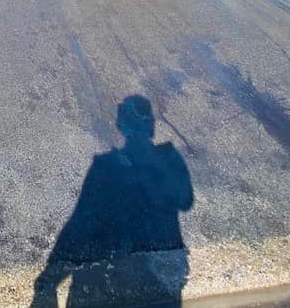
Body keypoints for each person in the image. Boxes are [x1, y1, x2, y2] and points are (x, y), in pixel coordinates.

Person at [32, 95, 193, 307]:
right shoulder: (111, 166)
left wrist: (51, 277)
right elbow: (81, 220)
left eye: (141, 122)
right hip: (139, 277)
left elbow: (185, 200)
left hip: (142, 276)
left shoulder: (159, 159)